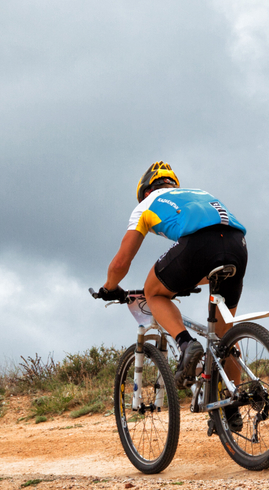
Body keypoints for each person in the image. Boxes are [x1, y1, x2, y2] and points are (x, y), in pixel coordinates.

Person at [100, 162, 249, 421]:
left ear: (145, 191)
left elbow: (121, 262)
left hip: (199, 245)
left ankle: (185, 343)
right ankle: (232, 404)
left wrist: (109, 288)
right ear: (172, 184)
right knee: (226, 338)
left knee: (153, 292)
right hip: (238, 245)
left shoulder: (146, 204)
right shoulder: (199, 192)